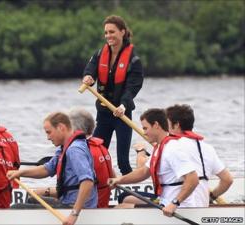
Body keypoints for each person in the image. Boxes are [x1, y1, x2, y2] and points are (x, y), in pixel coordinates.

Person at [7, 112, 97, 225]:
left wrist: (74, 214)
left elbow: (88, 182)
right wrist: (19, 172)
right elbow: (47, 169)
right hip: (67, 201)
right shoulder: (65, 147)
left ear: (61, 127)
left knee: (16, 208)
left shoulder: (75, 150)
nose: (48, 137)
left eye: (49, 132)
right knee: (32, 199)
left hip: (76, 206)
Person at [82, 15, 144, 175]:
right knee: (95, 154)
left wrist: (123, 105)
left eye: (112, 32)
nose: (108, 36)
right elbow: (91, 69)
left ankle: (130, 187)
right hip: (104, 113)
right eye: (106, 32)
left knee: (122, 160)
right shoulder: (99, 54)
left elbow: (133, 87)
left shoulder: (134, 60)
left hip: (122, 113)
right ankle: (98, 185)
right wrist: (88, 77)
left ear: (122, 32)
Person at [109, 108, 199, 217]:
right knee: (125, 197)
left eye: (145, 128)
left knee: (121, 208)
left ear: (156, 125)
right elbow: (143, 172)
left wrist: (174, 203)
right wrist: (118, 180)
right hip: (164, 199)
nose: (144, 132)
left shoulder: (172, 149)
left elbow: (193, 179)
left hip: (179, 206)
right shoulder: (160, 147)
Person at [165, 104, 233, 205]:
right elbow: (228, 180)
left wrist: (140, 152)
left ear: (176, 125)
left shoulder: (170, 146)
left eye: (166, 124)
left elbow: (147, 172)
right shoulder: (207, 148)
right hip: (202, 205)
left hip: (177, 207)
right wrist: (212, 196)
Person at [69, 108, 115, 208]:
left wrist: (47, 191)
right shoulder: (101, 146)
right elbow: (113, 179)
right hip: (103, 201)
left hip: (91, 205)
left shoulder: (81, 150)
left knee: (39, 195)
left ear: (74, 129)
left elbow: (85, 184)